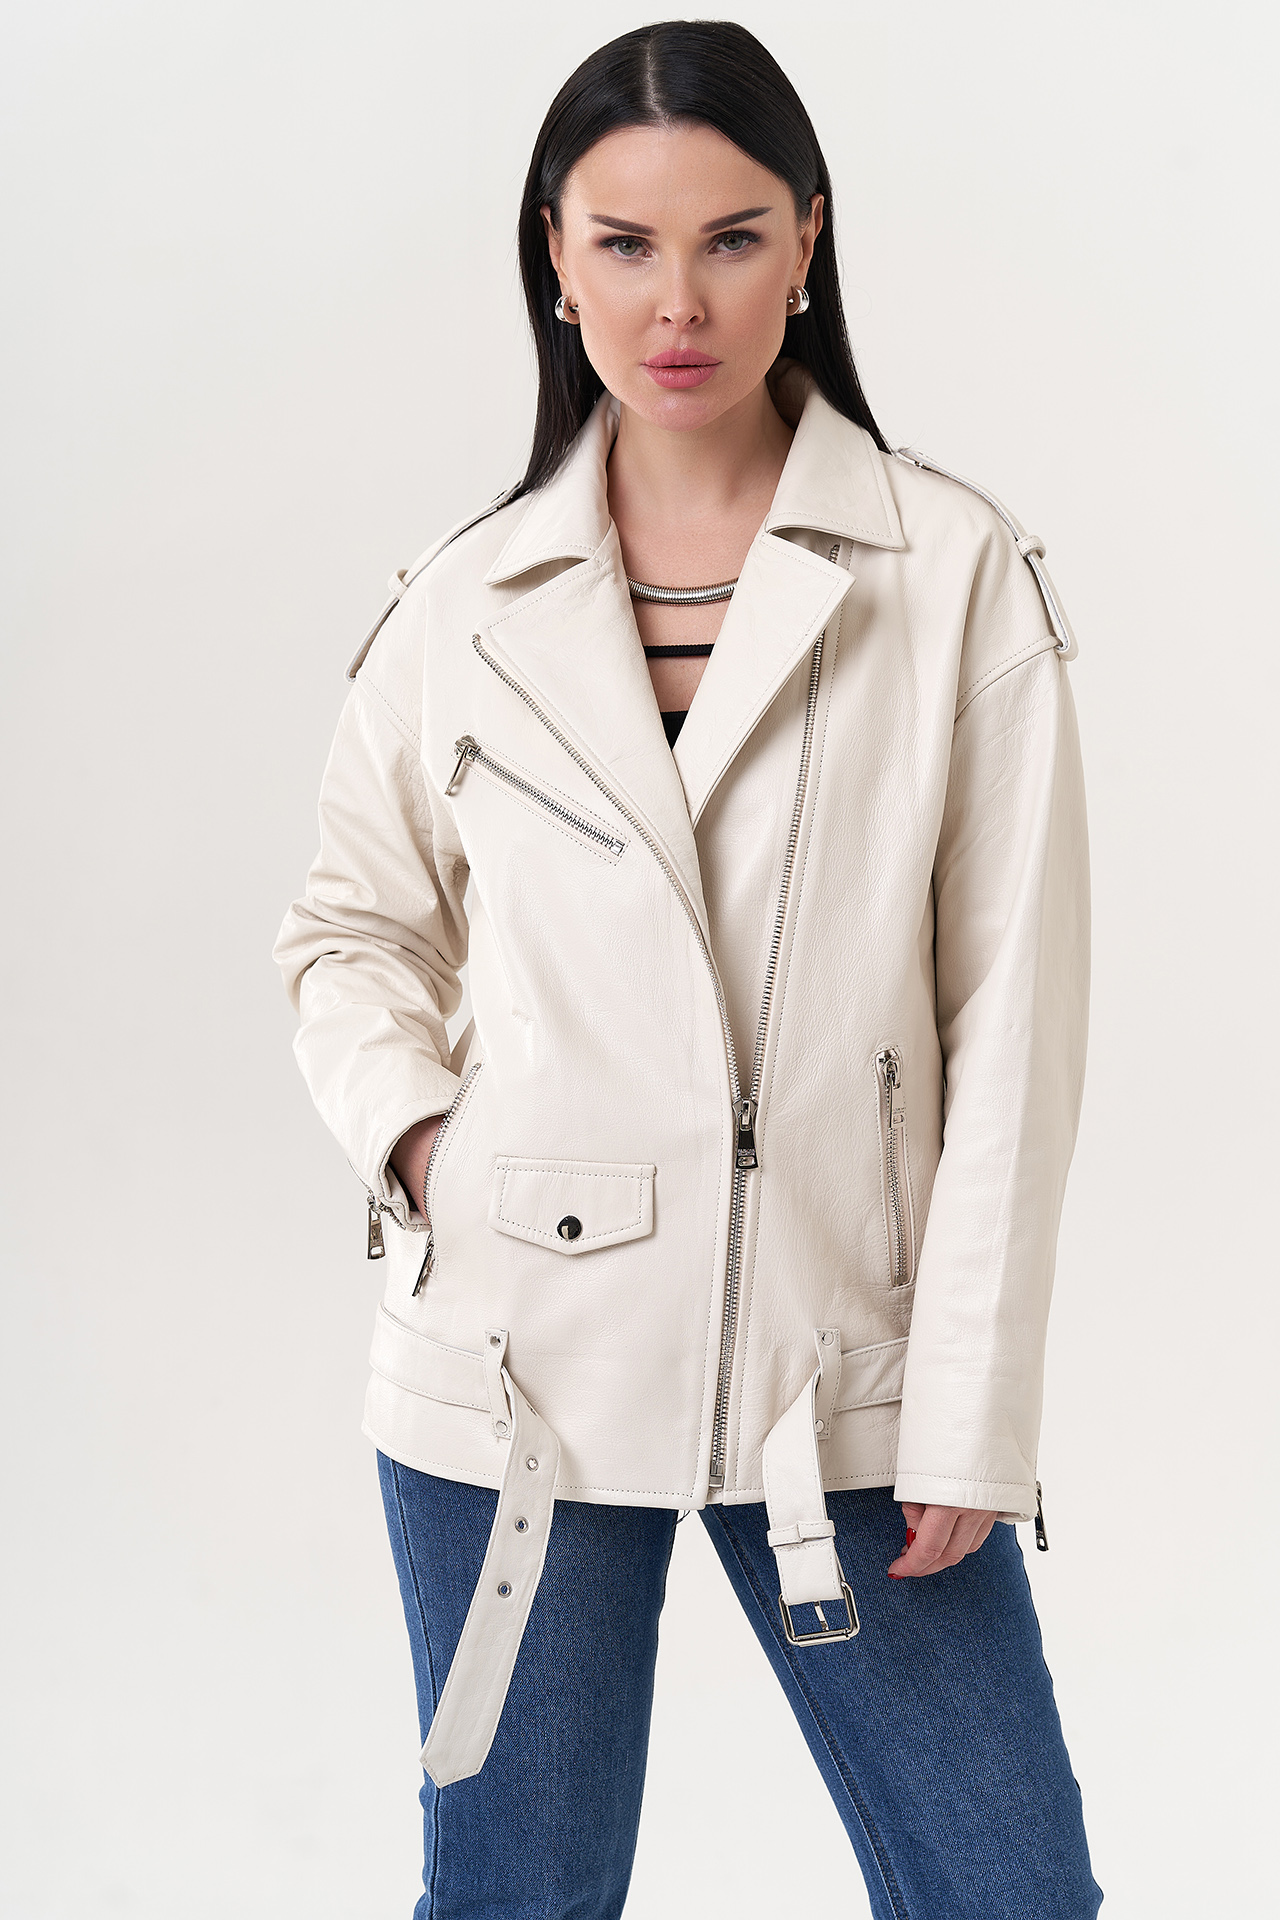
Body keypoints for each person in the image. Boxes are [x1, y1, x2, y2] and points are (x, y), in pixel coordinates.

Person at [274, 20, 1100, 1919]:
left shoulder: (952, 574)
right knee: (521, 1900)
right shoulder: (463, 601)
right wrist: (427, 1149)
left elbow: (1013, 1021)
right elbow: (348, 929)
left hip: (853, 1375)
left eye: (730, 238)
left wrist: (972, 1403)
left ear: (808, 241)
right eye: (625, 243)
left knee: (1008, 1891)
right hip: (515, 1381)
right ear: (554, 261)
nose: (679, 302)